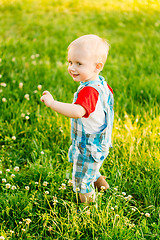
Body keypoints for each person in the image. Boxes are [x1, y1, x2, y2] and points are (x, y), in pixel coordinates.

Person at [40, 34, 114, 203]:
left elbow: (77, 111)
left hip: (89, 144)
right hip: (99, 141)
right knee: (91, 168)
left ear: (97, 66)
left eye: (79, 64)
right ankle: (103, 187)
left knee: (81, 180)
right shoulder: (101, 84)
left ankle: (88, 210)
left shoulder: (89, 91)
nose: (72, 68)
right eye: (70, 62)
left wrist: (52, 103)